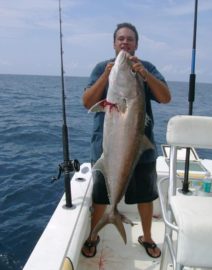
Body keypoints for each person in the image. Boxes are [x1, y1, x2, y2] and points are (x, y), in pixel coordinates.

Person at [81, 22, 171, 258]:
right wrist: (106, 75)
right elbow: (88, 102)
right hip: (106, 148)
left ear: (136, 44)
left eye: (130, 39)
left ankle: (148, 237)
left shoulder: (145, 68)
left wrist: (144, 74)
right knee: (101, 196)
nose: (125, 42)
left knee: (146, 196)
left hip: (141, 146)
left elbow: (165, 97)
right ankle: (93, 234)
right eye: (120, 38)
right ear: (114, 43)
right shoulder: (103, 67)